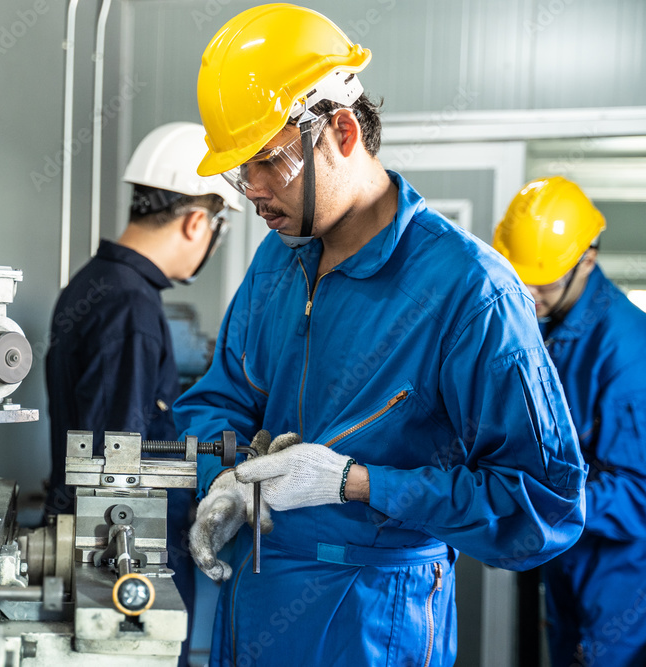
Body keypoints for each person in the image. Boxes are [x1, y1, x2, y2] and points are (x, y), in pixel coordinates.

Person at [174, 5, 587, 665]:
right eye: (237, 171)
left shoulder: (470, 291)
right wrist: (223, 479)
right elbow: (219, 400)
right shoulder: (279, 261)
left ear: (340, 129)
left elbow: (544, 505)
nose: (249, 189)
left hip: (372, 622)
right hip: (256, 601)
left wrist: (357, 482)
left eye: (265, 162)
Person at [44, 121, 242, 664]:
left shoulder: (94, 284)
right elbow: (117, 464)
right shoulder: (131, 306)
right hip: (128, 555)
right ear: (198, 222)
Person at [494, 176, 646, 667]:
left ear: (588, 259)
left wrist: (544, 499)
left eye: (545, 281)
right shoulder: (548, 324)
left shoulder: (627, 352)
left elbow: (639, 494)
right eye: (520, 277)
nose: (529, 294)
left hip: (617, 584)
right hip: (564, 564)